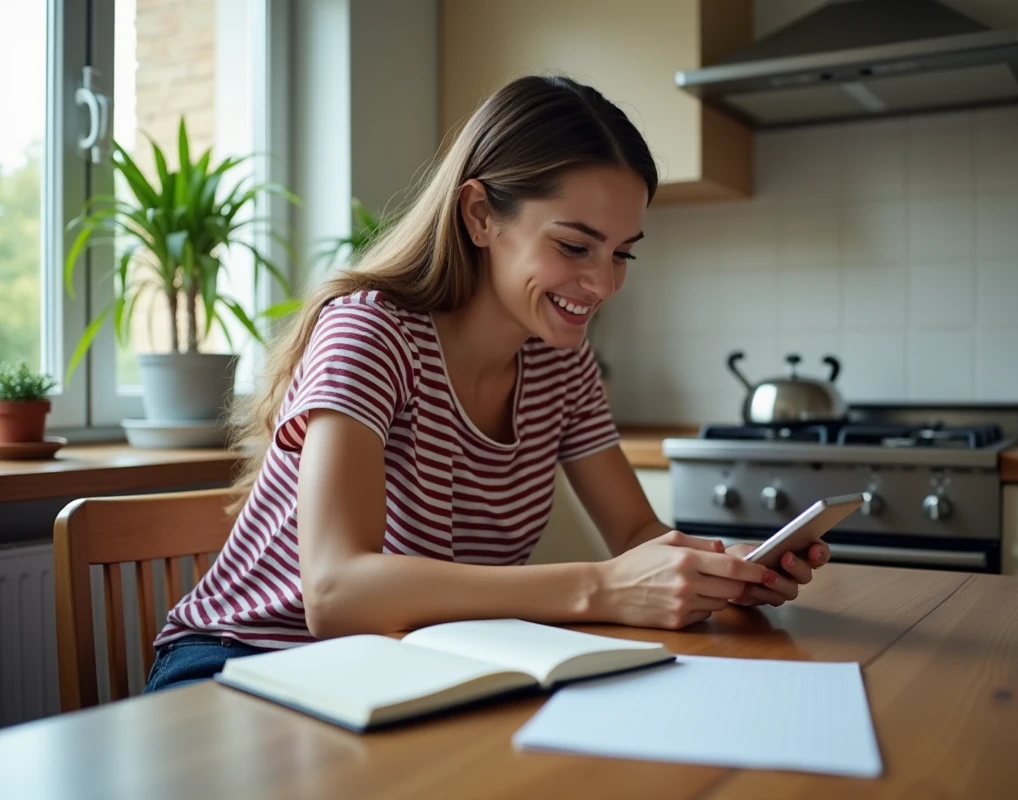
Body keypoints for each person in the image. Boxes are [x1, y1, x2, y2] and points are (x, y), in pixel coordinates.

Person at [143, 75, 830, 693]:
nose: (603, 283)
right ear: (478, 215)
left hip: (403, 669)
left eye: (622, 253)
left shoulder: (563, 363)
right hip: (240, 665)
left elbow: (635, 532)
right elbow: (335, 592)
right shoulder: (370, 334)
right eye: (573, 246)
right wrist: (598, 589)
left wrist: (723, 571)